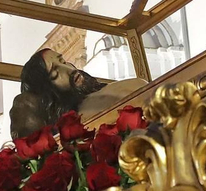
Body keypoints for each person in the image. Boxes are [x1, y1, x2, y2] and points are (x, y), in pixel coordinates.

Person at [9, 48, 147, 139]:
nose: (68, 69)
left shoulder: (128, 85)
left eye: (63, 61)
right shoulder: (72, 127)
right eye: (55, 73)